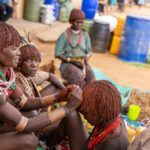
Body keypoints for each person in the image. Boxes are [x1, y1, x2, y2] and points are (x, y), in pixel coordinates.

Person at [0, 21, 85, 150]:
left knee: (33, 115)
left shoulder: (6, 73)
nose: (19, 53)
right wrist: (66, 109)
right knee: (28, 140)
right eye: (13, 49)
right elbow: (25, 125)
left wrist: (58, 97)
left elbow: (25, 102)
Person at [13, 42, 88, 149]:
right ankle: (49, 143)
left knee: (66, 115)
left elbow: (50, 76)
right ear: (19, 61)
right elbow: (27, 110)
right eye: (29, 60)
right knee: (69, 118)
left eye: (37, 60)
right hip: (28, 123)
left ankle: (50, 144)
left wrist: (64, 92)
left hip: (32, 117)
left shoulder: (29, 76)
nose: (34, 64)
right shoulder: (15, 81)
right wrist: (64, 108)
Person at [79, 80, 130, 150]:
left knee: (71, 116)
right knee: (71, 115)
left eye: (85, 113)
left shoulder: (112, 143)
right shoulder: (108, 118)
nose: (84, 117)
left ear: (99, 112)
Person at [55, 9, 95, 89]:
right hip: (67, 64)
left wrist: (87, 56)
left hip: (82, 63)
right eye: (77, 22)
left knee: (91, 75)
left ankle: (89, 97)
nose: (79, 25)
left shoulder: (85, 35)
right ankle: (78, 98)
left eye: (81, 22)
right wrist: (71, 60)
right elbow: (58, 53)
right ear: (71, 21)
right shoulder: (64, 35)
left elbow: (89, 51)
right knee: (78, 76)